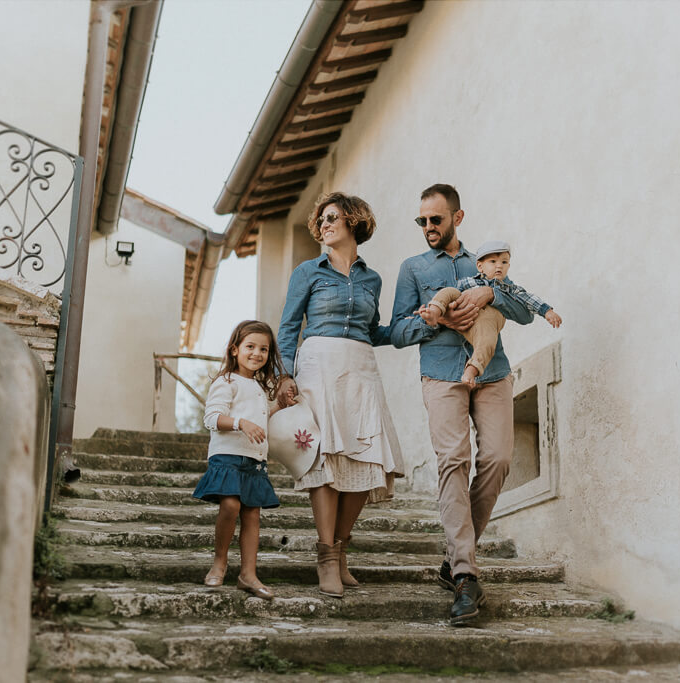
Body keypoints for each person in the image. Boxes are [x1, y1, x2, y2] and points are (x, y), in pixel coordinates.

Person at [391, 184, 533, 626]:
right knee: (454, 460)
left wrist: (492, 294)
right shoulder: (413, 268)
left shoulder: (485, 263)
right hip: (440, 373)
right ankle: (466, 576)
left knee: (498, 459)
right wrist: (438, 321)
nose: (428, 227)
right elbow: (396, 331)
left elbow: (526, 311)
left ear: (457, 217)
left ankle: (454, 555)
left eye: (436, 219)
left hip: (491, 373)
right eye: (422, 221)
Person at [277, 191, 404, 598]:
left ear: (353, 221)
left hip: (361, 368)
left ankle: (341, 548)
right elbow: (288, 327)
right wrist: (283, 375)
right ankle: (326, 557)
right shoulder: (307, 272)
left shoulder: (372, 279)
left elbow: (375, 330)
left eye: (332, 218)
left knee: (368, 462)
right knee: (326, 460)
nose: (325, 225)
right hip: (318, 367)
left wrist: (420, 327)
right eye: (322, 220)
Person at [192, 319, 286, 600]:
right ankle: (219, 561)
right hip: (227, 456)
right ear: (235, 349)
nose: (257, 354)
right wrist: (241, 423)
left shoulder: (259, 387)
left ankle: (248, 574)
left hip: (254, 460)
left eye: (264, 349)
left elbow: (262, 415)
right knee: (230, 504)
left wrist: (279, 405)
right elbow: (211, 418)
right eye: (250, 347)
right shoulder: (226, 381)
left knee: (252, 514)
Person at [417, 239, 562, 385]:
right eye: (493, 261)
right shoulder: (469, 282)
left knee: (487, 341)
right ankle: (433, 312)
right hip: (461, 318)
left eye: (504, 262)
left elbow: (528, 299)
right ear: (480, 266)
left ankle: (471, 371)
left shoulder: (510, 289)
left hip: (483, 326)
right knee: (448, 291)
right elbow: (453, 295)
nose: (499, 266)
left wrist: (547, 311)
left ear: (509, 266)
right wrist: (446, 310)